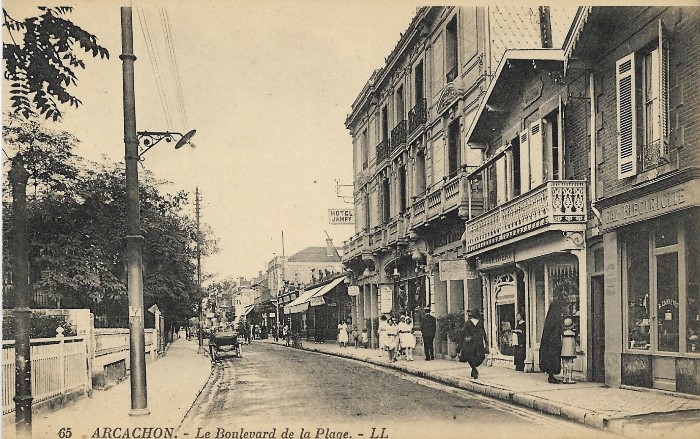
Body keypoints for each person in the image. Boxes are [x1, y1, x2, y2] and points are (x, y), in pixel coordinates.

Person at [540, 292, 565, 384]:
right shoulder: (554, 318)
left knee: (552, 359)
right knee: (552, 359)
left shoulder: (550, 318)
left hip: (550, 343)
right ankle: (551, 377)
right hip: (552, 343)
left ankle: (551, 376)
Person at [458, 309, 487, 379]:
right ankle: (474, 369)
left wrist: (459, 346)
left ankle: (474, 369)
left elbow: (463, 333)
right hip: (479, 342)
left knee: (469, 356)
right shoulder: (480, 323)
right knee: (479, 356)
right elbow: (483, 333)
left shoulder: (467, 323)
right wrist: (486, 342)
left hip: (470, 342)